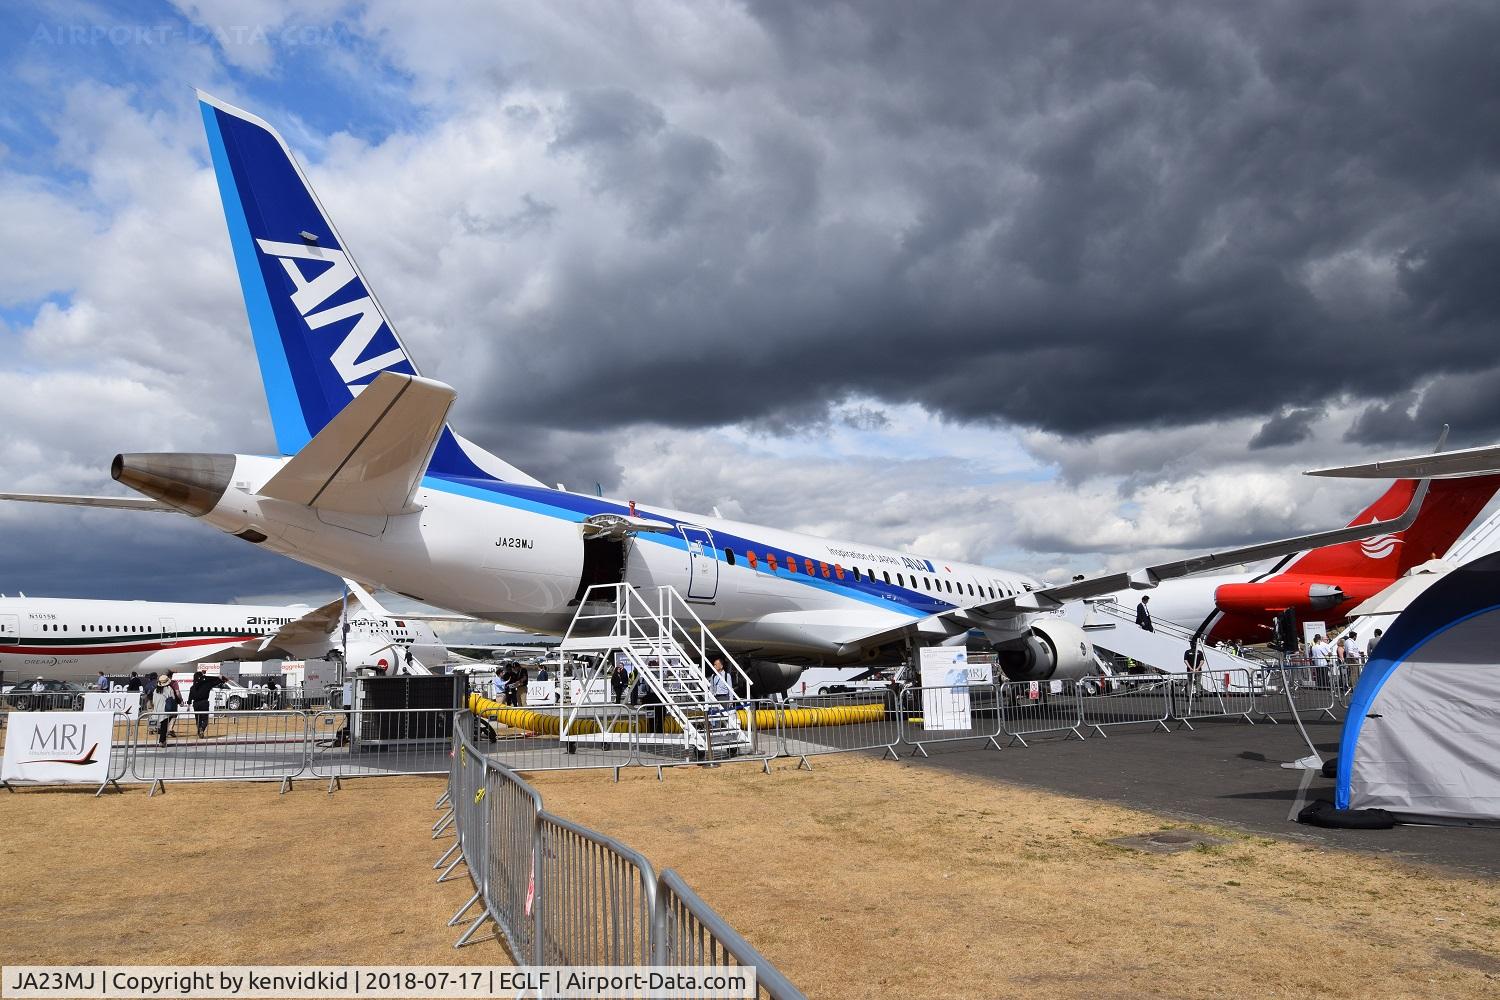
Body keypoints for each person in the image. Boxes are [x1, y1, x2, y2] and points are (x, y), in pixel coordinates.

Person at [186, 670, 225, 738]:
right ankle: (202, 729)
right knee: (205, 720)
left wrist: (188, 706)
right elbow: (216, 682)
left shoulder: (192, 687)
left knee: (198, 719)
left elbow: (190, 697)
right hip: (204, 703)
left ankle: (199, 731)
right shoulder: (206, 684)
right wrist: (221, 679)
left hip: (196, 704)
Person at [152, 673, 183, 746]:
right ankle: (162, 741)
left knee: (161, 726)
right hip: (165, 709)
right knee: (164, 726)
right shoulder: (169, 689)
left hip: (157, 709)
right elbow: (173, 698)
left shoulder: (156, 690)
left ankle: (162, 740)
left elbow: (153, 701)